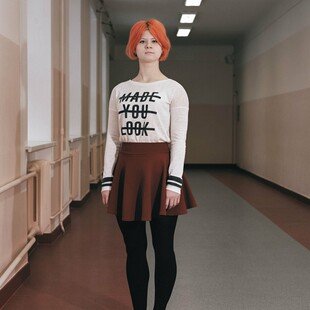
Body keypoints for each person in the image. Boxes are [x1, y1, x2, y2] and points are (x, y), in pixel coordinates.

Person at [101, 18, 198, 310]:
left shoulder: (174, 89)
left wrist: (174, 181)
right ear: (133, 47)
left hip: (161, 171)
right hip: (127, 171)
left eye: (154, 40)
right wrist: (107, 179)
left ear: (162, 47)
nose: (148, 46)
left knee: (163, 247)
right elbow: (112, 138)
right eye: (142, 41)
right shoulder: (120, 90)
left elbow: (179, 140)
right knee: (134, 249)